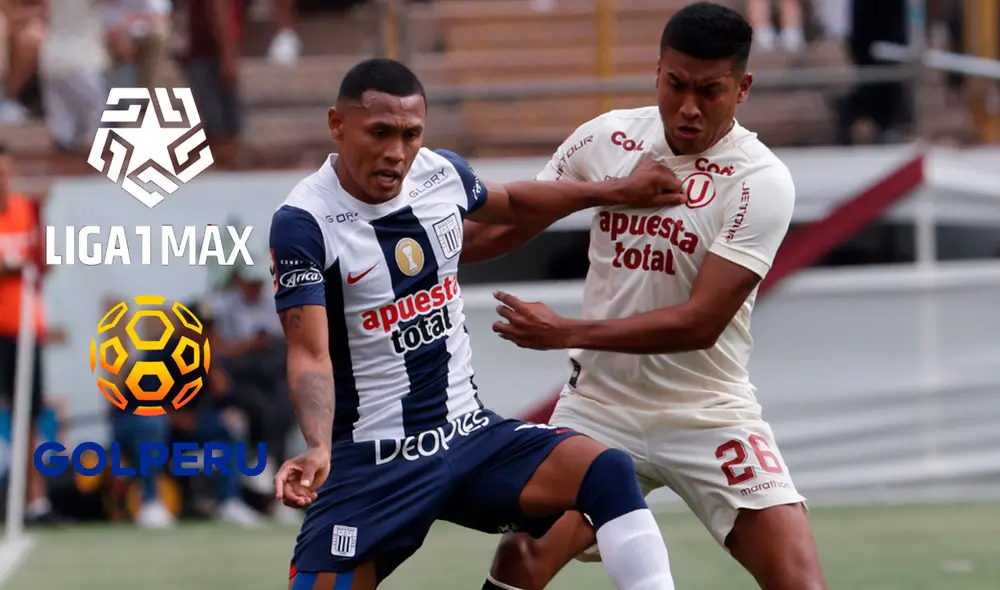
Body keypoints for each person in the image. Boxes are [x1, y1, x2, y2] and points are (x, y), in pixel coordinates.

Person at [269, 58, 688, 590]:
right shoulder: (302, 223)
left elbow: (512, 201)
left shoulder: (438, 174)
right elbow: (309, 354)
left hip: (466, 436)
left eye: (410, 134)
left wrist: (615, 191)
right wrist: (318, 445)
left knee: (605, 468)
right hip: (373, 461)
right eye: (379, 133)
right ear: (337, 125)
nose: (396, 152)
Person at [462, 3, 828, 589]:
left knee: (798, 580)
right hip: (599, 407)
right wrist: (404, 251)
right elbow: (496, 232)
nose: (688, 107)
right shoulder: (605, 139)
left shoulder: (760, 180)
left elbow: (699, 323)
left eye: (710, 91)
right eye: (675, 85)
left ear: (743, 88)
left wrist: (566, 332)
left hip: (707, 409)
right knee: (521, 560)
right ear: (657, 72)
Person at [0, 144, 64, 526]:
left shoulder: (27, 210)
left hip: (25, 330)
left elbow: (44, 263)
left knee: (30, 415)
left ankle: (35, 502)